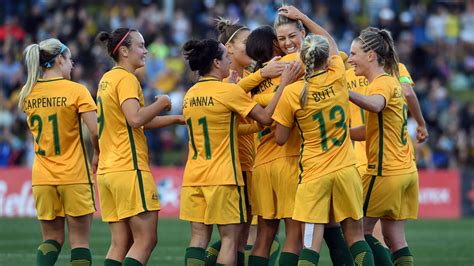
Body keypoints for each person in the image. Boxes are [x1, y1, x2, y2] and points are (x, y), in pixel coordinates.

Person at [181, 38, 300, 265]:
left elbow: (231, 128)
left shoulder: (190, 94)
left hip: (193, 177)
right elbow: (265, 118)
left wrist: (253, 123)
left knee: (198, 237)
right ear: (216, 63)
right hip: (222, 177)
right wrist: (284, 84)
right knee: (230, 239)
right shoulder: (227, 91)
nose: (230, 61)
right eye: (226, 57)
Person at [272, 24, 375, 266]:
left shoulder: (292, 92)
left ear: (301, 57)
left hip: (314, 174)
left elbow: (280, 138)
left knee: (310, 244)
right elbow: (331, 41)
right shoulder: (338, 74)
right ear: (327, 59)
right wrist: (302, 17)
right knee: (356, 238)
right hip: (346, 169)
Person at [96, 28, 183, 266]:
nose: (146, 51)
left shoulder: (107, 79)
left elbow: (134, 122)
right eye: (141, 45)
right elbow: (135, 118)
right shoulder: (127, 79)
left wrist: (175, 119)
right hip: (129, 169)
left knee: (120, 243)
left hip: (108, 172)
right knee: (146, 240)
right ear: (124, 51)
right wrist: (164, 102)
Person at [19, 38, 98, 266]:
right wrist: (98, 154)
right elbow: (95, 131)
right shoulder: (77, 91)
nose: (72, 65)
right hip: (74, 175)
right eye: (70, 59)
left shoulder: (28, 94)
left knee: (51, 239)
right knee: (80, 242)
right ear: (60, 59)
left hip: (42, 177)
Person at [347, 26, 419, 266]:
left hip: (385, 171)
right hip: (406, 170)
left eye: (354, 54)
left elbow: (376, 105)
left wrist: (346, 92)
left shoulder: (381, 83)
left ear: (370, 56)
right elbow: (371, 130)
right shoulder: (393, 80)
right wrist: (342, 134)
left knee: (361, 232)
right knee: (394, 238)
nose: (349, 59)